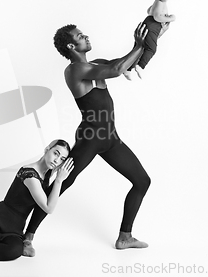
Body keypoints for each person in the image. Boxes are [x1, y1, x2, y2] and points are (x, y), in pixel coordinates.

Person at [23, 21, 167, 257]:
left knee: (142, 181)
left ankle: (125, 237)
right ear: (71, 45)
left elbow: (121, 64)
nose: (86, 36)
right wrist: (138, 45)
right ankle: (27, 237)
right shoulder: (74, 71)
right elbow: (118, 69)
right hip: (90, 138)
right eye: (81, 35)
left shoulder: (96, 64)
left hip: (110, 138)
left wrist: (152, 37)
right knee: (62, 182)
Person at [124, 0, 175, 80]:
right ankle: (140, 66)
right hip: (152, 25)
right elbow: (157, 17)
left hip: (148, 24)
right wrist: (170, 18)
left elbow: (149, 11)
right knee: (151, 49)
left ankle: (128, 69)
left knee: (139, 49)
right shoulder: (160, 3)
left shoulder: (158, 2)